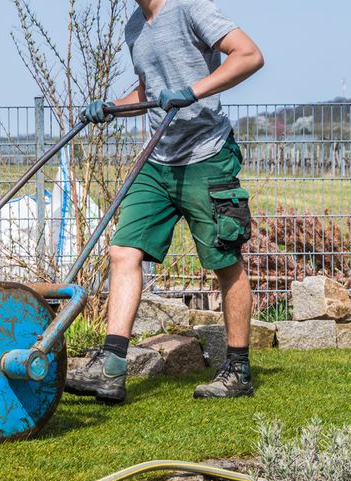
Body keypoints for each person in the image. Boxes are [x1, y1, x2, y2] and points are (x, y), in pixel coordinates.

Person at [65, 0, 264, 403]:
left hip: (207, 156)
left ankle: (238, 369)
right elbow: (150, 88)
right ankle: (112, 369)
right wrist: (111, 107)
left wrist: (193, 92)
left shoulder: (190, 7)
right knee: (122, 251)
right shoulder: (135, 26)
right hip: (158, 161)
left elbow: (249, 55)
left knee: (224, 262)